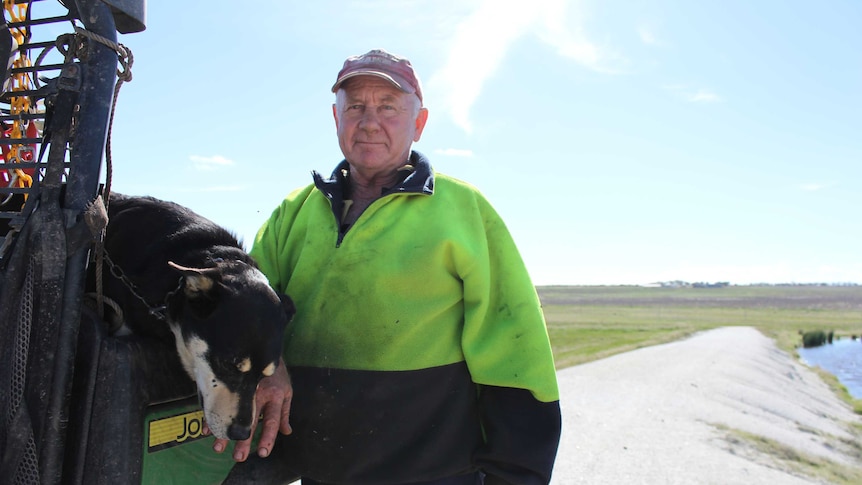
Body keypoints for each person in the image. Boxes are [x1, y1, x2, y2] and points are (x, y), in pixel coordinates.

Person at [214, 48, 561, 484]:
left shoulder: (463, 211)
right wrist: (273, 361)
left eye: (389, 107)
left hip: (435, 474)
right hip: (322, 469)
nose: (370, 121)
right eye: (355, 107)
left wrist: (516, 473)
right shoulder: (294, 211)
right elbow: (247, 309)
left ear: (419, 123)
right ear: (336, 118)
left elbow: (514, 347)